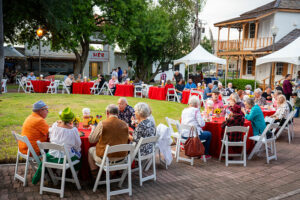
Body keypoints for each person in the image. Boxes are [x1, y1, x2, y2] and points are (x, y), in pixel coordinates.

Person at [32, 107, 82, 184]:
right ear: (71, 120)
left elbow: (50, 136)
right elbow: (78, 145)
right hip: (65, 158)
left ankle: (57, 173)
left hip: (51, 155)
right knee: (79, 155)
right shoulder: (73, 130)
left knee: (65, 150)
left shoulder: (55, 125)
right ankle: (74, 177)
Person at [88, 104, 130, 174]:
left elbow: (91, 140)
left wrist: (93, 129)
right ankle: (114, 174)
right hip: (122, 158)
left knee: (90, 150)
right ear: (118, 113)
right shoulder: (125, 124)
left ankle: (95, 176)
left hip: (106, 159)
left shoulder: (102, 124)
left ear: (107, 112)